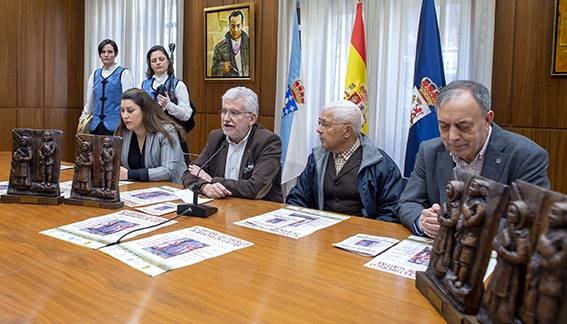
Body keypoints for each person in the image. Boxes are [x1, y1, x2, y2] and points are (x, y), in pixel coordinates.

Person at [397, 80, 550, 237]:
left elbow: (532, 221)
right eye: (444, 126)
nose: (452, 137)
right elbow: (408, 203)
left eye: (463, 127)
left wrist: (462, 225)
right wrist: (423, 220)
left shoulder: (526, 156)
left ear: (487, 120)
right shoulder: (429, 151)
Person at [286, 101, 404, 221]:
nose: (318, 130)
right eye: (319, 123)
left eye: (326, 125)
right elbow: (298, 197)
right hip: (319, 231)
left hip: (360, 233)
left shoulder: (380, 164)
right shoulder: (316, 158)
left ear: (347, 131)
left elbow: (390, 211)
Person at [182, 87, 282, 202]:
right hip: (223, 206)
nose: (226, 118)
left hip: (259, 211)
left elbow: (255, 188)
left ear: (252, 119)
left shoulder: (268, 142)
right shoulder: (217, 137)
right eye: (224, 111)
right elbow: (189, 173)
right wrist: (205, 187)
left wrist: (212, 180)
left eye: (234, 113)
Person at [117, 88, 187, 184]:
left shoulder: (166, 131)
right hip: (138, 190)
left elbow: (168, 171)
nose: (125, 115)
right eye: (122, 111)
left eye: (130, 111)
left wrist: (129, 174)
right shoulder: (125, 132)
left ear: (145, 111)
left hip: (171, 189)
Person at [142, 45, 193, 160]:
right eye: (154, 61)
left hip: (173, 137)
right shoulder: (144, 85)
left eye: (161, 59)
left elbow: (186, 115)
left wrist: (169, 105)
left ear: (168, 61)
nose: (158, 63)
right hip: (150, 135)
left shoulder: (178, 85)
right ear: (150, 64)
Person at [80, 39, 135, 135]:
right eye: (103, 52)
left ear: (116, 54)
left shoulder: (124, 73)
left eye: (110, 52)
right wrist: (83, 119)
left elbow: (129, 101)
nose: (106, 55)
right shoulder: (94, 74)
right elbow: (90, 103)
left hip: (116, 126)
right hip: (96, 125)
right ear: (100, 55)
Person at [211, 10, 250, 77]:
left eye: (238, 25)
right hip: (230, 85)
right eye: (233, 26)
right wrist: (222, 68)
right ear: (229, 25)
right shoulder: (219, 47)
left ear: (242, 25)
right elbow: (213, 72)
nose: (235, 29)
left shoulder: (251, 45)